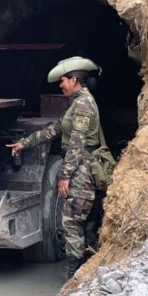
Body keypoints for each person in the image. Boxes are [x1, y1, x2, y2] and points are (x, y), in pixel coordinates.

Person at [6, 57, 102, 279]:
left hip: (82, 169)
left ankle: (73, 274)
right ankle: (83, 270)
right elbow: (56, 129)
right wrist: (25, 143)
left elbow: (77, 144)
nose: (60, 85)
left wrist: (65, 176)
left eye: (63, 81)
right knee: (80, 220)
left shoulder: (83, 105)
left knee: (71, 220)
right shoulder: (75, 104)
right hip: (80, 167)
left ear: (74, 80)